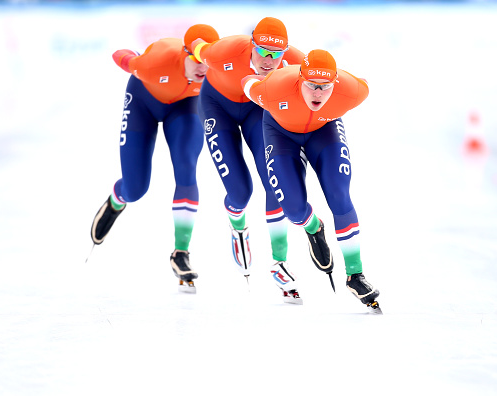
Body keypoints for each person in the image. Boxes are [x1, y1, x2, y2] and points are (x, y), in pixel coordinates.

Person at [241, 49, 382, 313]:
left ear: (336, 83)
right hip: (280, 134)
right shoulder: (274, 88)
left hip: (325, 132)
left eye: (325, 88)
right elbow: (247, 83)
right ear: (299, 79)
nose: (318, 94)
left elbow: (362, 84)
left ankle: (356, 274)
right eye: (311, 86)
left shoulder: (352, 91)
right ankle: (313, 227)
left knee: (339, 195)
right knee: (293, 209)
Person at [89, 24, 220, 293]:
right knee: (135, 189)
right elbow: (120, 56)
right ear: (185, 53)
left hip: (185, 108)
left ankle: (180, 252)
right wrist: (134, 56)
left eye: (208, 62)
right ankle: (118, 198)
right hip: (143, 102)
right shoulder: (154, 63)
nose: (203, 69)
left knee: (186, 167)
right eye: (197, 60)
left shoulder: (216, 71)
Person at [190, 17, 305, 303]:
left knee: (274, 183)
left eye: (276, 54)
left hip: (256, 109)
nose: (269, 60)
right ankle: (238, 225)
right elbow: (195, 43)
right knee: (240, 192)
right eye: (262, 51)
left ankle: (280, 262)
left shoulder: (295, 61)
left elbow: (324, 81)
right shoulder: (224, 51)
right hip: (217, 107)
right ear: (250, 44)